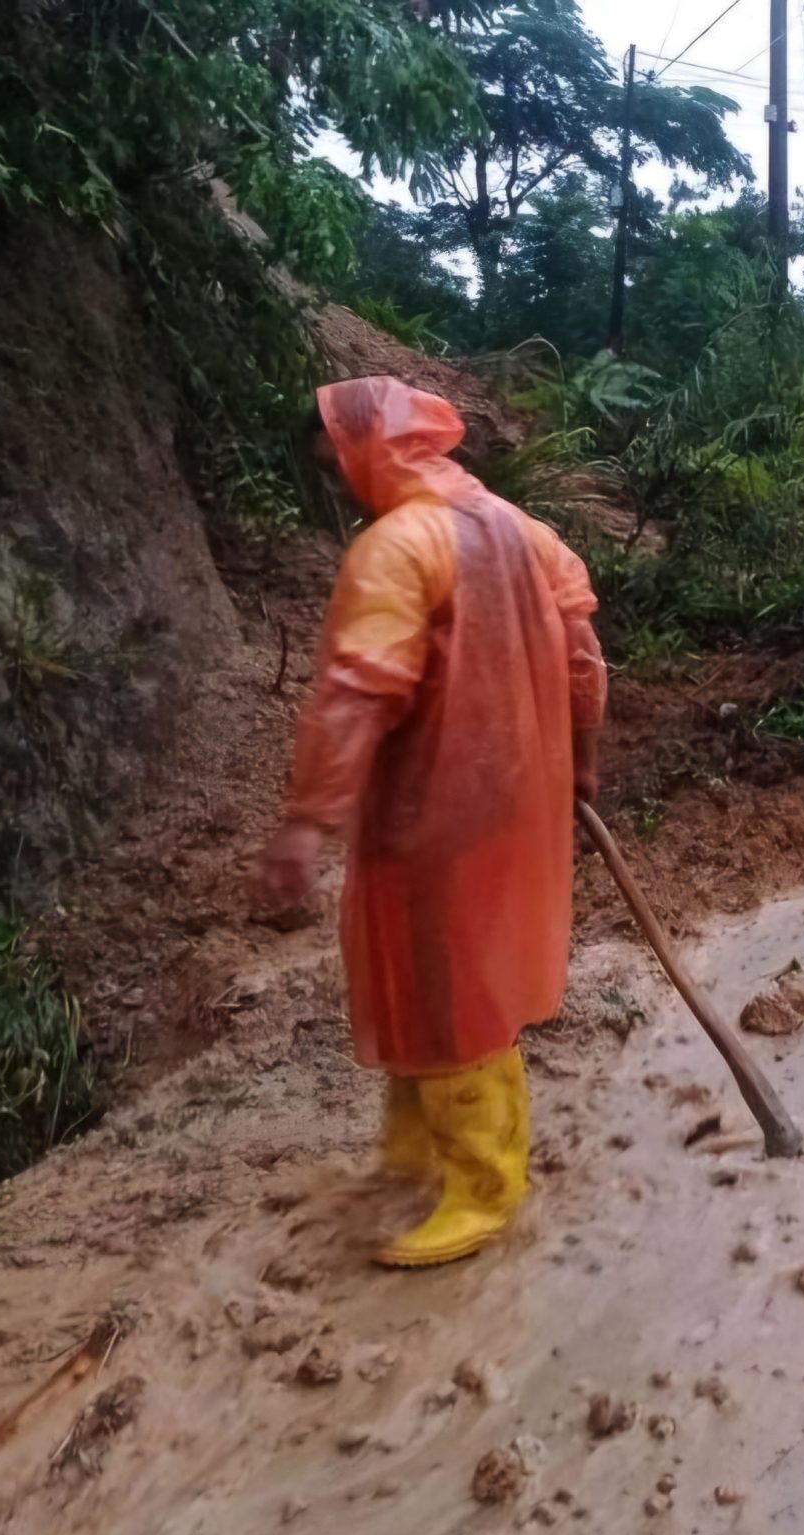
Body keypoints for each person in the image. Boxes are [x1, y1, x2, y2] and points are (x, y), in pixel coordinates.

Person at [253, 376, 606, 1269]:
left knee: (449, 986)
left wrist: (307, 819)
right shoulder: (526, 531)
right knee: (434, 973)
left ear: (363, 451)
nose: (337, 487)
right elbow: (583, 659)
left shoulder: (399, 547)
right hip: (519, 797)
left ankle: (485, 1185)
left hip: (431, 809)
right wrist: (584, 763)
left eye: (333, 468)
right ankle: (417, 1149)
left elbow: (357, 694)